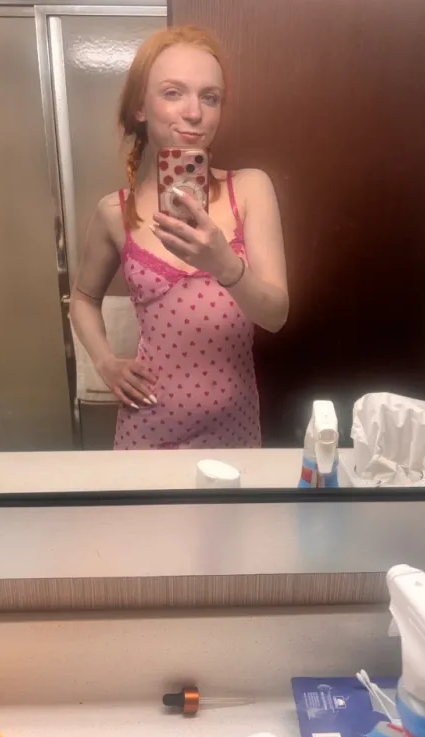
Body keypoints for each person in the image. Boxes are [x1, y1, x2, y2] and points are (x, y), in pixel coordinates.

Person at [70, 25, 288, 450]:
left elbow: (276, 315)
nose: (194, 112)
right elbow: (82, 299)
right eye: (173, 93)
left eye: (210, 97)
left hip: (235, 429)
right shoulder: (116, 212)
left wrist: (224, 265)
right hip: (148, 428)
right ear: (140, 107)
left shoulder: (249, 189)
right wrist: (105, 362)